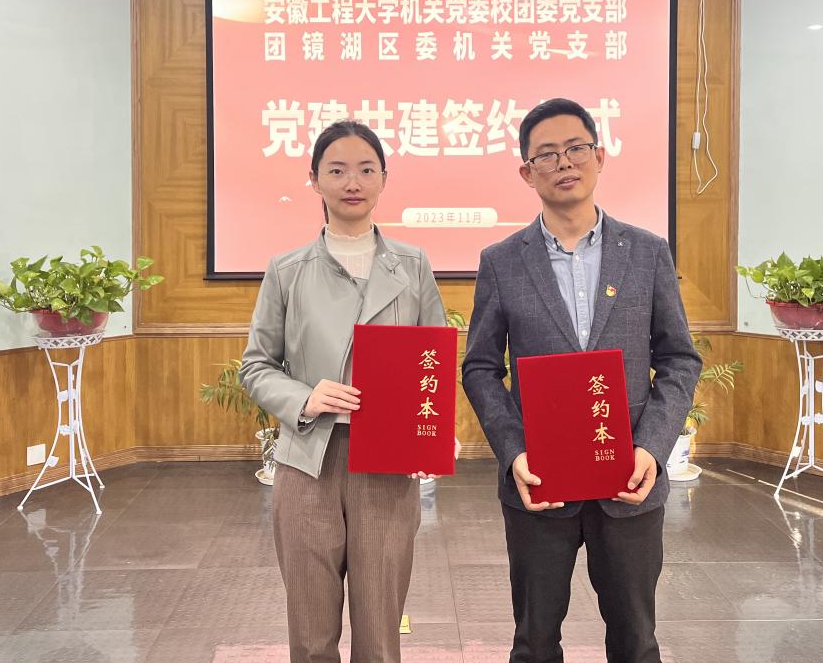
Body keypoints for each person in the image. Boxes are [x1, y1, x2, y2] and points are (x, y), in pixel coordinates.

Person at [461, 98, 701, 663]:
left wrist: (651, 448)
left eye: (576, 148)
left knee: (636, 641)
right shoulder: (502, 261)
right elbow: (480, 367)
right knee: (535, 641)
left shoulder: (646, 252)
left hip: (629, 481)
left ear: (600, 156)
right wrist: (513, 452)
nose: (564, 162)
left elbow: (679, 359)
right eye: (547, 154)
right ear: (527, 173)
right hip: (539, 484)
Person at [241, 119, 448, 663]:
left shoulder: (413, 265)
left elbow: (432, 360)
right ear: (314, 180)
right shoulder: (287, 270)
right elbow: (256, 366)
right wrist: (304, 398)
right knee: (311, 634)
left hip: (388, 462)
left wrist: (430, 433)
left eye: (365, 169)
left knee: (380, 632)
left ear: (384, 179)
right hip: (308, 459)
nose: (352, 182)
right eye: (336, 170)